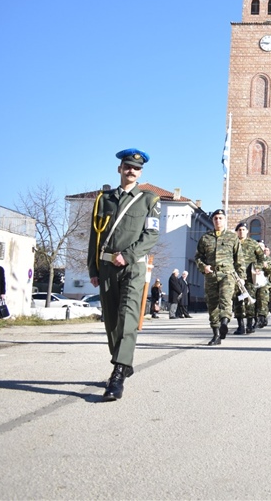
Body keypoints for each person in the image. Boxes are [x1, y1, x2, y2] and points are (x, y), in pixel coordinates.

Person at [87, 148, 160, 401]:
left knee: (128, 317)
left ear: (140, 173)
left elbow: (151, 235)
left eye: (136, 168)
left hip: (133, 267)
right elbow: (95, 236)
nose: (131, 171)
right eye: (128, 166)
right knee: (111, 321)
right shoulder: (103, 199)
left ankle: (118, 373)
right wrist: (93, 268)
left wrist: (127, 255)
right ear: (120, 169)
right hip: (107, 267)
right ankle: (123, 361)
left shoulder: (149, 200)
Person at [195, 209, 244, 346]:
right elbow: (198, 257)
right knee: (212, 304)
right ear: (213, 220)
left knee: (225, 299)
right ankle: (216, 334)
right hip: (211, 275)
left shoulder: (232, 237)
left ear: (225, 220)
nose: (218, 220)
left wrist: (242, 276)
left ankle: (224, 323)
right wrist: (203, 267)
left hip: (227, 274)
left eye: (220, 218)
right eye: (215, 218)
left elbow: (239, 258)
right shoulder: (205, 238)